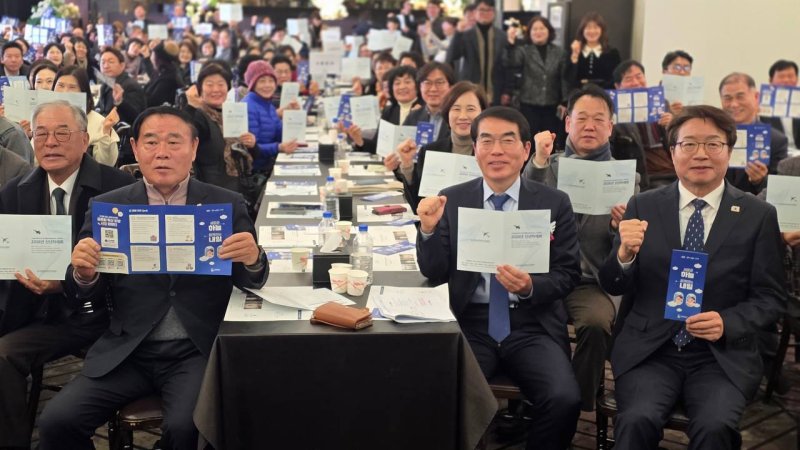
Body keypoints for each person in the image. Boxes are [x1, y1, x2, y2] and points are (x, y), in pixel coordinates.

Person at [37, 106, 269, 450]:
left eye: (174, 142)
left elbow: (251, 280)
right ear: (135, 147)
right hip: (128, 351)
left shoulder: (225, 204)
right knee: (56, 422)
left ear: (193, 147)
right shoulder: (109, 207)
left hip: (195, 351)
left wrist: (252, 258)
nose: (162, 152)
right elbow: (82, 292)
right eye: (151, 142)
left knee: (187, 428)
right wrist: (83, 274)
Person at [598, 105, 785, 449]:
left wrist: (728, 322)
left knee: (715, 428)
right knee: (637, 420)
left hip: (721, 356)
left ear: (729, 151)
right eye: (689, 144)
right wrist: (623, 255)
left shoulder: (758, 214)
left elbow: (771, 298)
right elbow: (612, 283)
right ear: (673, 152)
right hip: (651, 350)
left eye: (713, 144)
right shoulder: (643, 205)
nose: (701, 154)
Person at [416, 106, 581, 449]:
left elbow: (568, 275)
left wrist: (531, 286)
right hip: (471, 324)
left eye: (508, 141)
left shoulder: (554, 202)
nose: (496, 151)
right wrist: (428, 230)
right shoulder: (454, 198)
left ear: (526, 149)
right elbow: (434, 271)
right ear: (475, 148)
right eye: (486, 141)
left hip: (532, 325)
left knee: (564, 398)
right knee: (440, 392)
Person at [0, 101, 135, 449]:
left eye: (62, 133)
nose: (50, 143)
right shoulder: (15, 191)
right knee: (4, 353)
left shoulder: (118, 188)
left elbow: (132, 267)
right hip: (46, 317)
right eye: (41, 134)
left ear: (85, 139)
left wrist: (66, 282)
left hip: (109, 313)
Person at [523, 85, 638, 411]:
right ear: (567, 122)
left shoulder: (625, 177)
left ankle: (576, 404)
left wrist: (618, 229)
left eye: (599, 120)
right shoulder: (547, 164)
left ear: (610, 127)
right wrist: (538, 160)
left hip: (592, 280)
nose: (589, 126)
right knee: (522, 316)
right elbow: (525, 207)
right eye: (582, 118)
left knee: (596, 324)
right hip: (544, 273)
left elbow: (628, 250)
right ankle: (530, 398)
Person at [395, 81, 487, 212]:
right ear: (447, 112)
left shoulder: (490, 154)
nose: (463, 116)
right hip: (436, 223)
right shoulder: (430, 151)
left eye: (471, 109)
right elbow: (416, 205)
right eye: (456, 109)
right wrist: (407, 165)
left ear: (483, 113)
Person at [183, 62, 253, 192]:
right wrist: (190, 106)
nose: (216, 89)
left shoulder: (231, 113)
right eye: (209, 85)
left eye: (221, 84)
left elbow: (245, 155)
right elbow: (184, 134)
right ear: (200, 89)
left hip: (237, 187)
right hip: (211, 192)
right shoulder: (198, 116)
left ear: (228, 88)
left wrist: (252, 144)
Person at [718, 72, 789, 194]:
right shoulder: (713, 136)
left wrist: (760, 180)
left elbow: (781, 192)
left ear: (756, 97)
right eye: (728, 98)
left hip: (755, 203)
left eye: (740, 96)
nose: (734, 104)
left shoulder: (776, 140)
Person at [611, 60, 676, 190]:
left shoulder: (661, 103)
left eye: (639, 76)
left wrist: (674, 124)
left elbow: (680, 140)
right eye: (629, 79)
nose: (636, 82)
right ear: (618, 86)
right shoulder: (613, 112)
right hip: (646, 177)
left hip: (674, 171)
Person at [501, 16, 568, 140]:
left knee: (550, 139)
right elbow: (510, 62)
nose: (538, 32)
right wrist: (510, 43)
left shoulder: (559, 52)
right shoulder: (523, 50)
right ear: (529, 32)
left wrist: (565, 101)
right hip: (528, 103)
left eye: (542, 28)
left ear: (549, 31)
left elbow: (564, 78)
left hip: (552, 103)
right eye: (534, 29)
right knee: (529, 139)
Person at [346, 65, 423, 155]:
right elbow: (377, 146)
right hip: (390, 162)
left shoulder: (425, 110)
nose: (402, 87)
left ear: (418, 86)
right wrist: (359, 140)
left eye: (407, 82)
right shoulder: (389, 110)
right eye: (397, 83)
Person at [54, 66, 121, 167]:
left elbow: (107, 164)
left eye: (72, 87)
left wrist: (106, 131)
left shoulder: (99, 122)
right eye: (61, 85)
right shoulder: (44, 118)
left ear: (83, 91)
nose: (65, 91)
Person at [243, 60, 299, 178]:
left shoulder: (267, 104)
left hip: (271, 165)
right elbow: (253, 148)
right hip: (258, 172)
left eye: (271, 81)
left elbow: (279, 135)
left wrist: (291, 116)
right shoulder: (248, 107)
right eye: (262, 81)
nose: (267, 85)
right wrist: (279, 147)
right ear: (252, 84)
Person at [445, 0, 505, 103]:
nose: (485, 13)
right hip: (470, 88)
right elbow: (452, 56)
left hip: (495, 91)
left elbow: (506, 65)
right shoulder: (466, 35)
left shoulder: (502, 36)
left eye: (489, 10)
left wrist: (507, 91)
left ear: (494, 13)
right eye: (481, 10)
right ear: (475, 12)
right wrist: (458, 33)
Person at [566, 12, 620, 90]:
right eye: (588, 28)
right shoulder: (574, 51)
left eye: (596, 27)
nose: (592, 31)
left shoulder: (612, 53)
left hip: (604, 94)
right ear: (582, 30)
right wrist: (575, 56)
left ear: (602, 30)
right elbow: (569, 80)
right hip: (579, 95)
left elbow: (616, 79)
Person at [97, 47, 147, 126]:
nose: (106, 66)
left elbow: (137, 116)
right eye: (102, 62)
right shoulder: (106, 84)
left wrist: (120, 101)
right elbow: (100, 108)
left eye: (111, 62)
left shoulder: (130, 85)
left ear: (122, 65)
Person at [761, 60, 799, 149]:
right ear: (770, 80)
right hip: (776, 151)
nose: (786, 80)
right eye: (781, 76)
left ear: (797, 79)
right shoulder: (763, 105)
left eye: (790, 76)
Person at [145, 41, 183, 107]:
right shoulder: (164, 72)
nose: (151, 58)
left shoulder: (168, 79)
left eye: (153, 55)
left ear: (159, 59)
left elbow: (152, 102)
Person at [661, 50, 693, 115]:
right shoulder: (655, 95)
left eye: (686, 68)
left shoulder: (694, 94)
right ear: (665, 71)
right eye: (677, 67)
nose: (682, 72)